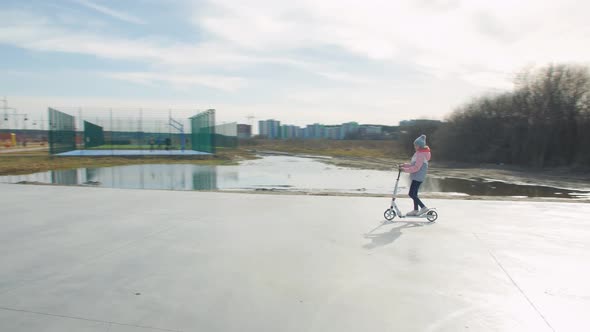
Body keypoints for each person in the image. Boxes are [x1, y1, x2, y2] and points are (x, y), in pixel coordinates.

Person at [400, 134, 431, 216]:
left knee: (411, 194)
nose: (414, 146)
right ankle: (415, 210)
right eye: (414, 145)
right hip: (417, 176)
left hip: (418, 177)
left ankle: (423, 207)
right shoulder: (419, 153)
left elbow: (416, 167)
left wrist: (405, 170)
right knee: (414, 194)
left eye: (416, 145)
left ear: (420, 146)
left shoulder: (420, 155)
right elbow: (413, 165)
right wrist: (404, 165)